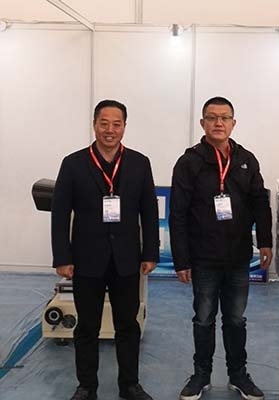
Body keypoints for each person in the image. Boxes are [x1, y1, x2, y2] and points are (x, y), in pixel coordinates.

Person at [51, 99, 159, 400]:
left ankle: (130, 385)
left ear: (124, 126)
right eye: (104, 123)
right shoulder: (73, 164)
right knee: (87, 327)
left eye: (116, 124)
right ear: (94, 124)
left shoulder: (139, 163)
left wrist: (150, 252)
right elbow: (60, 214)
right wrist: (62, 257)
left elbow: (149, 211)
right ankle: (87, 386)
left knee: (128, 325)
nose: (110, 130)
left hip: (127, 259)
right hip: (87, 258)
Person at [169, 96, 273, 400]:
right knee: (203, 318)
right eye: (212, 117)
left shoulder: (246, 160)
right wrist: (181, 260)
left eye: (224, 118)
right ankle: (201, 375)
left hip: (238, 257)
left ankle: (238, 375)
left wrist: (265, 240)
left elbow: (260, 203)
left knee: (236, 319)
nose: (218, 123)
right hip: (203, 258)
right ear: (202, 123)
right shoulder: (189, 162)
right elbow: (178, 214)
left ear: (233, 123)